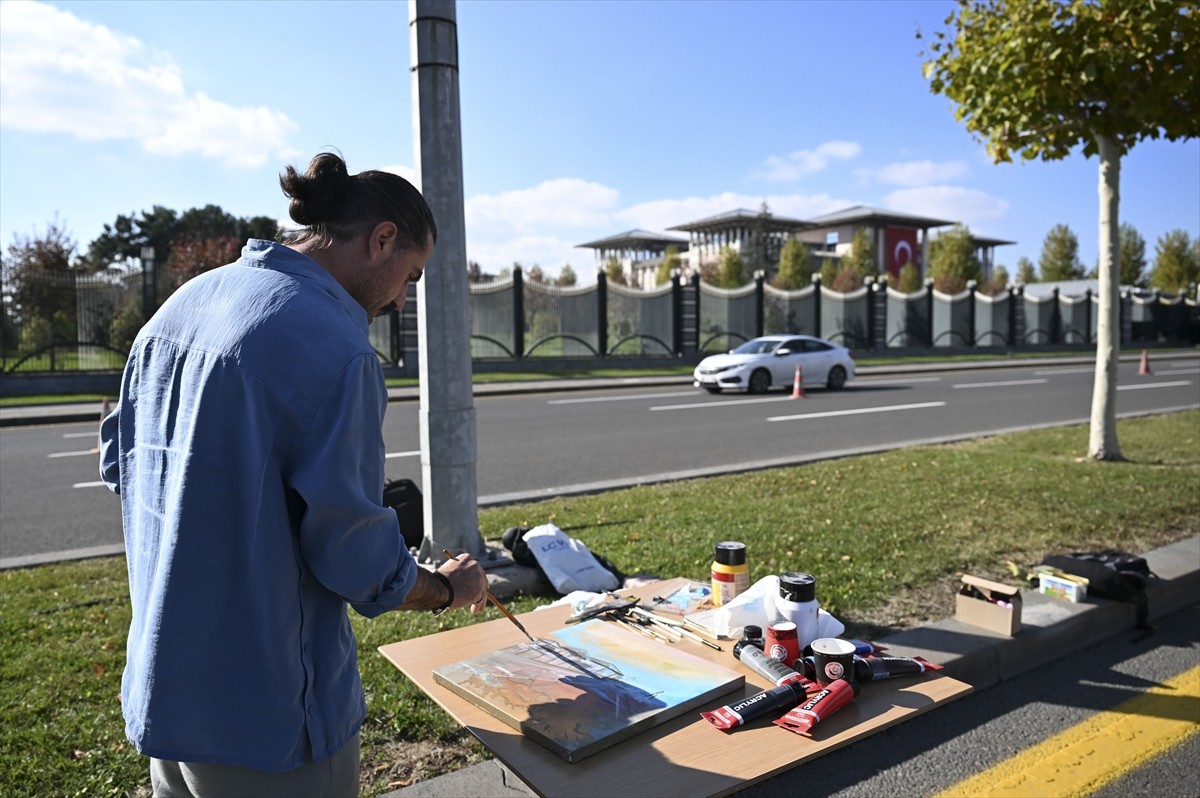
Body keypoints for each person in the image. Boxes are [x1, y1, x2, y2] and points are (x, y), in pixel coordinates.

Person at [99, 152, 489, 797]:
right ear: (382, 239)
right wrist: (448, 589)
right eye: (409, 277)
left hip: (166, 693)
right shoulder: (336, 346)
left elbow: (124, 466)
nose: (398, 300)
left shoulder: (182, 304)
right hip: (272, 717)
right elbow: (356, 558)